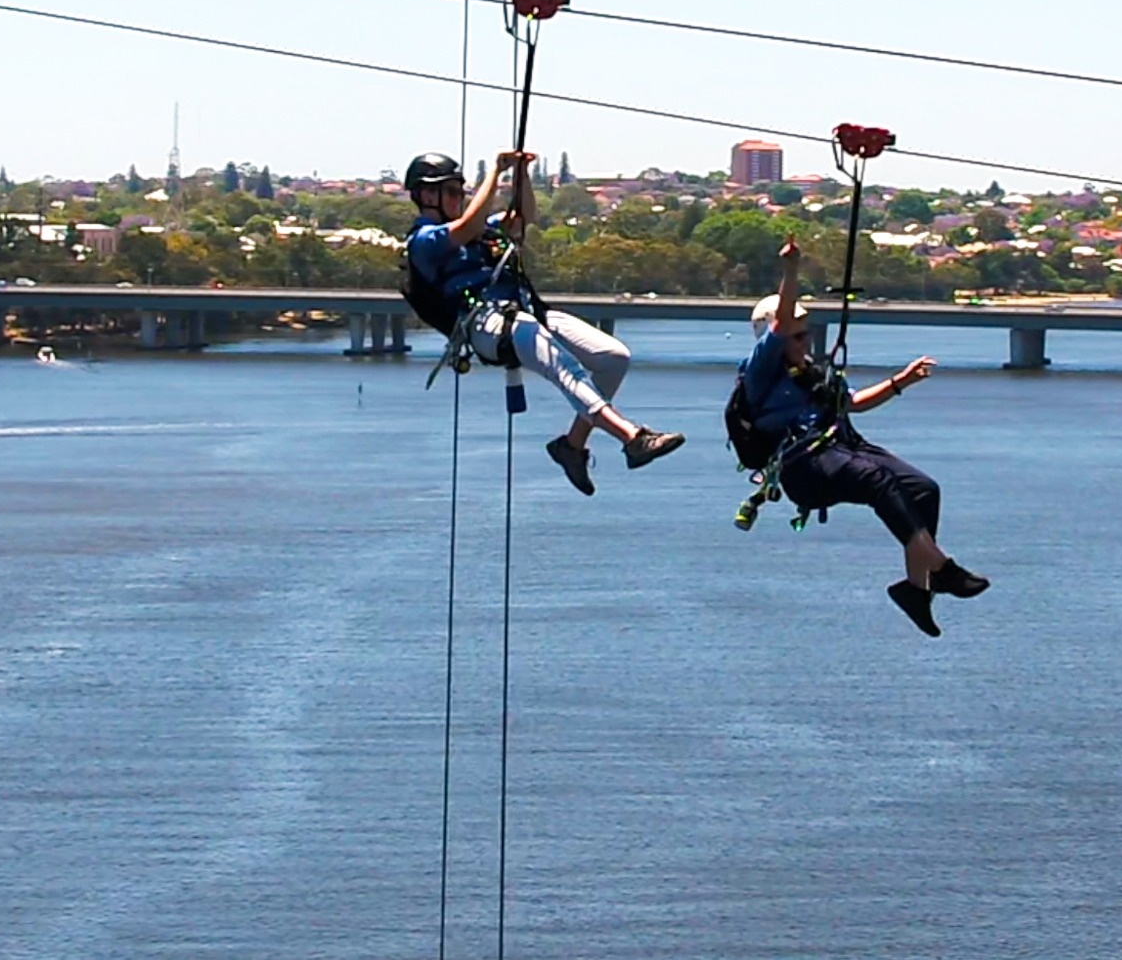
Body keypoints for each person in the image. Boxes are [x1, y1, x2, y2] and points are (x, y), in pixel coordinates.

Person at [402, 150, 684, 491]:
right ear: (426, 196)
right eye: (451, 191)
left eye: (460, 191)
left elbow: (524, 216)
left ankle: (572, 445)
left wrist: (521, 173)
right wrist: (497, 171)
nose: (459, 198)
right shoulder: (424, 241)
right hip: (487, 325)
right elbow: (467, 226)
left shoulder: (485, 231)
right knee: (565, 369)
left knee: (613, 358)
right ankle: (631, 437)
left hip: (526, 313)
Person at [746, 235, 986, 636]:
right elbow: (782, 319)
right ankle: (942, 567)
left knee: (924, 488)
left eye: (807, 333)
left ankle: (916, 588)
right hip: (804, 467)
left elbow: (852, 403)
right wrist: (791, 271)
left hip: (840, 450)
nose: (806, 341)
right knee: (877, 481)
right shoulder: (760, 370)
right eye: (798, 336)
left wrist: (901, 381)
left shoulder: (815, 371)